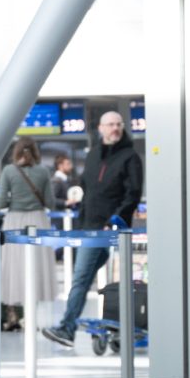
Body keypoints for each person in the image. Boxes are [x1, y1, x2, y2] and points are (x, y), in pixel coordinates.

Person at [43, 112, 143, 348]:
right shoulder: (93, 155)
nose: (115, 128)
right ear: (101, 128)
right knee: (84, 278)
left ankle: (67, 328)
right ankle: (72, 327)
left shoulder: (130, 157)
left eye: (118, 124)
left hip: (108, 228)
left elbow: (133, 193)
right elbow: (87, 188)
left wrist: (115, 219)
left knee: (81, 278)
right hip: (88, 228)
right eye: (110, 124)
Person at [0, 138, 56, 331]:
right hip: (38, 221)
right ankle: (32, 315)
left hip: (14, 222)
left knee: (14, 266)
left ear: (16, 152)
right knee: (37, 266)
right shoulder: (43, 171)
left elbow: (0, 203)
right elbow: (50, 202)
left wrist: (15, 197)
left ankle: (14, 313)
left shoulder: (8, 171)